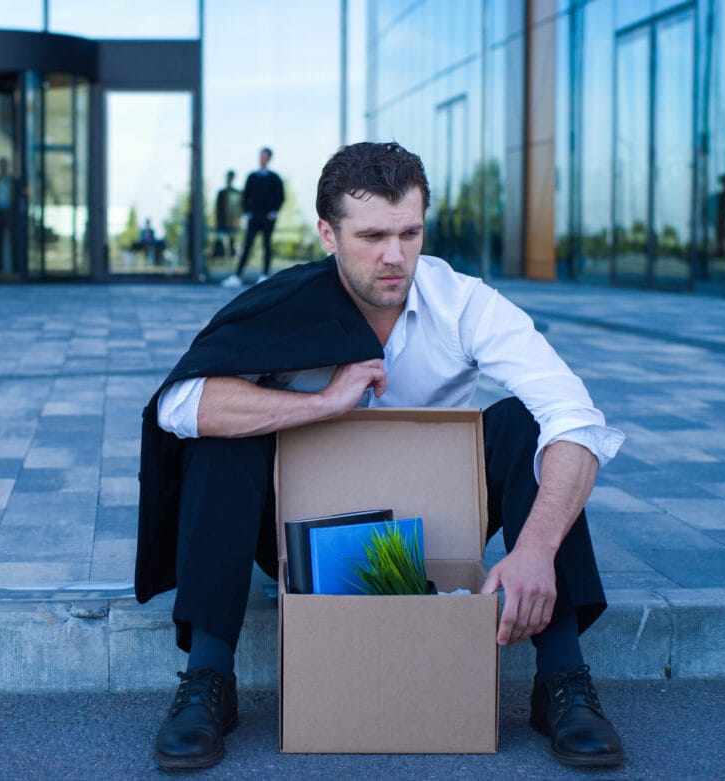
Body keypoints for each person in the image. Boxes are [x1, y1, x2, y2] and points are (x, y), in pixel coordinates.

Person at [138, 141, 625, 770]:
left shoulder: (464, 303)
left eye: (409, 233)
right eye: (371, 236)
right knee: (226, 435)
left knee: (529, 424)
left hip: (434, 526)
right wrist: (321, 403)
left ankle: (562, 680)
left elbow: (578, 418)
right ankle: (208, 680)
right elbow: (179, 404)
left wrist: (533, 549)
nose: (394, 256)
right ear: (327, 232)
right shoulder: (285, 303)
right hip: (298, 533)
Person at [223, 147, 284, 288]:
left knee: (266, 245)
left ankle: (264, 275)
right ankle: (237, 276)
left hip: (267, 218)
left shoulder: (274, 178)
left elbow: (280, 197)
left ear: (269, 159)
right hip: (254, 218)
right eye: (261, 156)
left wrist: (274, 212)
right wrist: (247, 213)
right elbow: (245, 196)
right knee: (247, 245)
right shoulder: (252, 177)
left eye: (265, 156)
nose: (263, 159)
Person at [212, 170, 240, 260]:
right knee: (220, 241)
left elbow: (239, 208)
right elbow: (218, 208)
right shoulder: (221, 193)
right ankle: (219, 256)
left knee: (231, 240)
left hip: (232, 222)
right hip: (222, 222)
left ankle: (230, 256)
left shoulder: (236, 193)